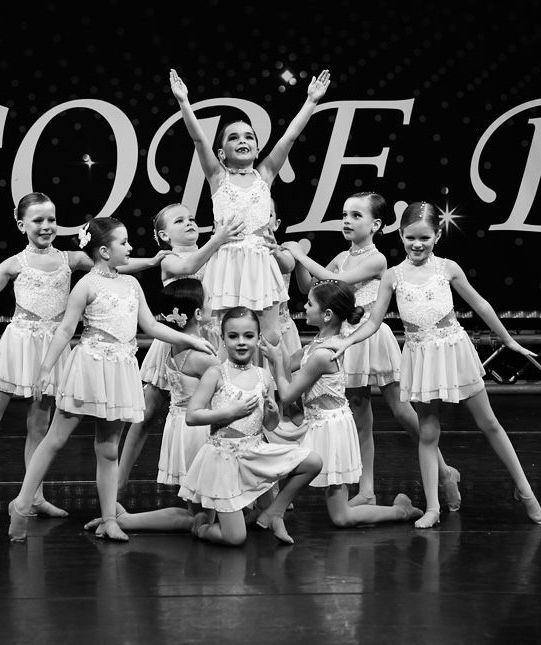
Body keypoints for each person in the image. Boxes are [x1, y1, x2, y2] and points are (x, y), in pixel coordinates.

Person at [0, 192, 164, 521]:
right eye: (38, 220)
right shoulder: (14, 264)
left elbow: (109, 262)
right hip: (20, 345)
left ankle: (34, 496)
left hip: (53, 347)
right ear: (21, 223)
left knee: (38, 425)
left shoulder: (70, 259)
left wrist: (152, 262)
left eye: (51, 219)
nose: (46, 226)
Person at [322, 201, 541, 527]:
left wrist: (508, 340)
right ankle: (432, 508)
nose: (417, 244)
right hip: (421, 355)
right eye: (411, 237)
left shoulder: (447, 268)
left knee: (489, 423)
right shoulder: (393, 276)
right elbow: (372, 323)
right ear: (399, 234)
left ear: (437, 235)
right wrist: (345, 341)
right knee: (427, 432)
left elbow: (480, 303)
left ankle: (525, 491)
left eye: (425, 237)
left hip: (453, 350)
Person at [5, 217, 215, 543]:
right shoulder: (86, 285)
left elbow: (152, 325)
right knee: (55, 439)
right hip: (89, 365)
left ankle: (109, 519)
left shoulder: (131, 285)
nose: (130, 248)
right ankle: (20, 504)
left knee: (107, 449)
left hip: (119, 369)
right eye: (124, 243)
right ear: (104, 250)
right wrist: (45, 369)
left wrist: (191, 340)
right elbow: (65, 330)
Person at [283, 192, 462, 509]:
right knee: (360, 418)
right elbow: (310, 288)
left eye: (356, 215)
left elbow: (334, 278)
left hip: (371, 338)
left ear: (376, 224)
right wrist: (298, 261)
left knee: (403, 412)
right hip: (346, 341)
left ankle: (445, 470)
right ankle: (366, 489)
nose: (347, 221)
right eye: (345, 214)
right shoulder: (341, 255)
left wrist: (300, 251)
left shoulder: (377, 259)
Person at [167, 67, 330, 344]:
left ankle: (265, 386)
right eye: (234, 137)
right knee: (224, 332)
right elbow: (198, 139)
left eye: (248, 137)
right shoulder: (218, 177)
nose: (242, 140)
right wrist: (184, 102)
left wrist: (311, 102)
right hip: (226, 261)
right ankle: (228, 385)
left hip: (259, 260)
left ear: (256, 149)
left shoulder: (264, 175)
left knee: (269, 336)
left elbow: (289, 137)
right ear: (221, 153)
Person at [114, 206, 244, 502]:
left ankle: (222, 483)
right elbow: (188, 269)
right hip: (176, 341)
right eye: (179, 221)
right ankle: (118, 484)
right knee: (147, 413)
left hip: (209, 337)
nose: (189, 223)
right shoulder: (172, 258)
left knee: (217, 411)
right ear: (163, 235)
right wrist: (218, 239)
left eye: (191, 219)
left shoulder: (216, 254)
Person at [267, 280, 422, 527]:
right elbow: (291, 362)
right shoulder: (319, 341)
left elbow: (286, 395)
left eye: (309, 303)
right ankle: (272, 512)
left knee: (341, 517)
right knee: (291, 466)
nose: (304, 307)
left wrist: (275, 361)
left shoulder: (322, 355)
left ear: (327, 314)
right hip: (318, 424)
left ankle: (401, 511)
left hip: (331, 431)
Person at [178, 307, 323, 546]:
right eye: (233, 336)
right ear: (223, 339)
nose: (241, 342)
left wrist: (273, 414)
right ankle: (202, 528)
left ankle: (274, 513)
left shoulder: (263, 376)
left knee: (313, 462)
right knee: (235, 538)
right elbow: (192, 416)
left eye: (248, 336)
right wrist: (229, 412)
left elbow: (269, 424)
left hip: (254, 452)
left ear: (258, 338)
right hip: (224, 458)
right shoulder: (216, 374)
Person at [85, 278, 218, 534]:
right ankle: (125, 520)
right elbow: (226, 382)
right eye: (209, 301)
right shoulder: (202, 357)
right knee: (200, 519)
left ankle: (120, 516)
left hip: (180, 426)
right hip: (198, 432)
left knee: (204, 513)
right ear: (198, 313)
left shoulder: (172, 346)